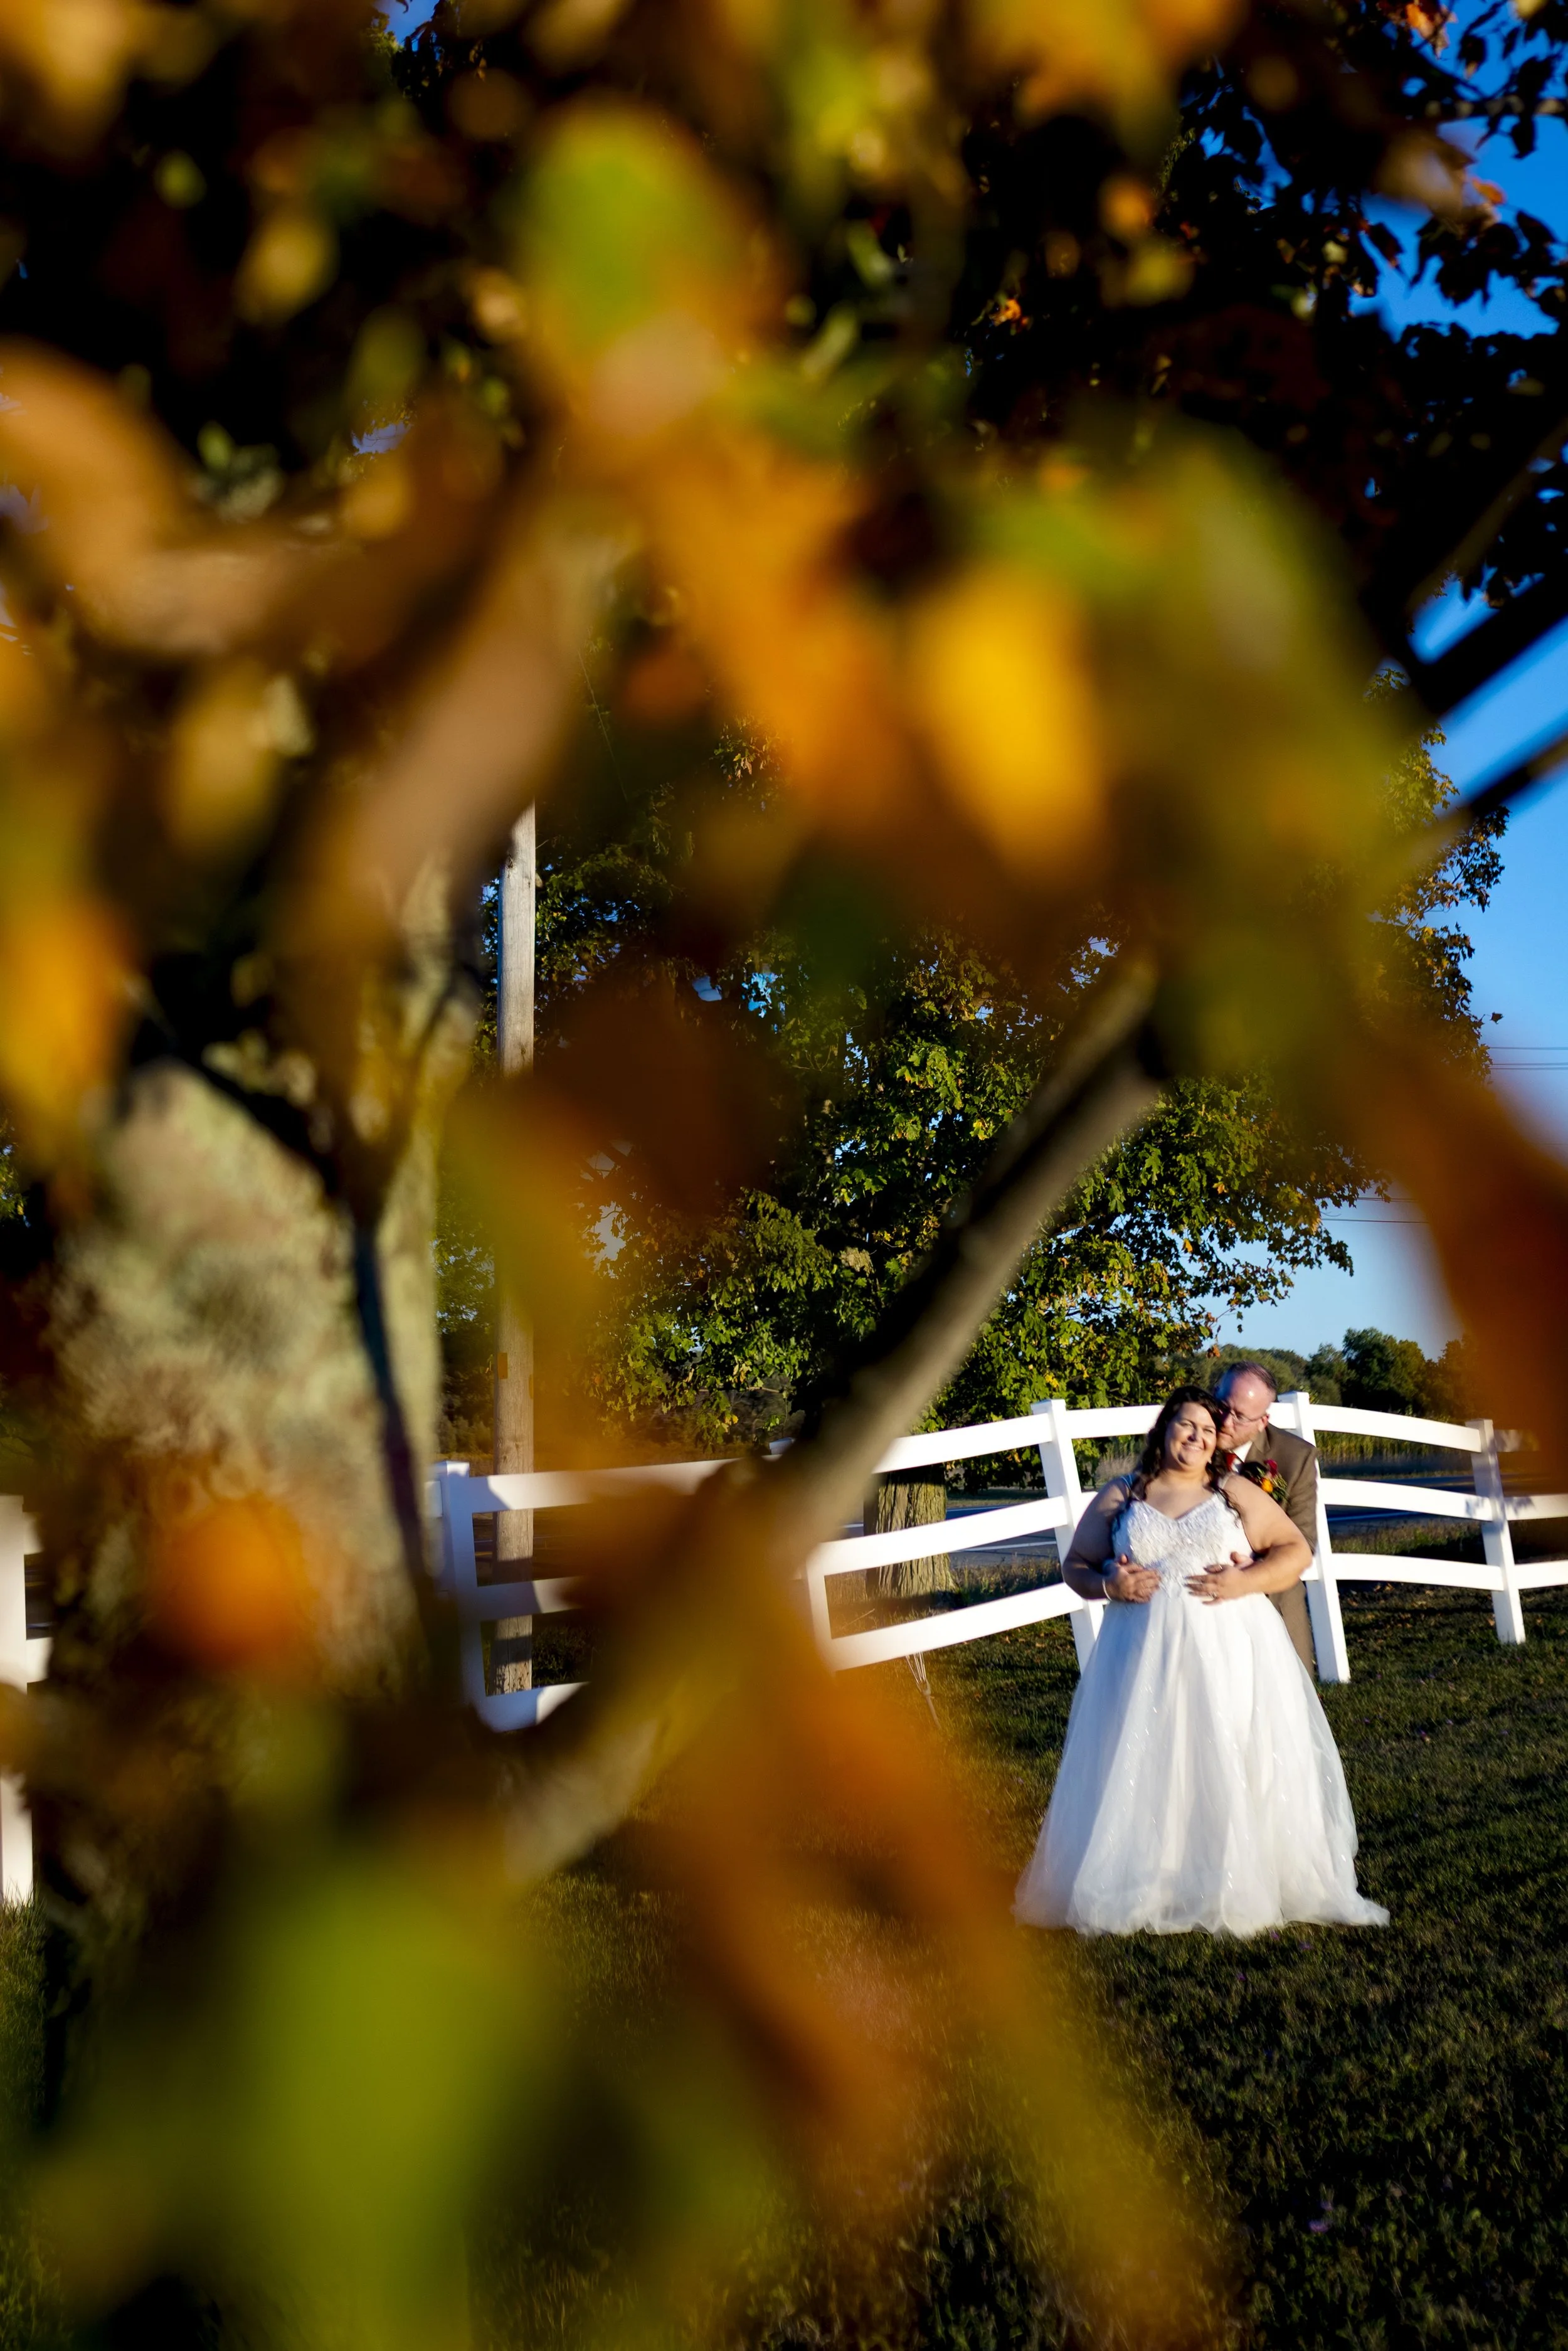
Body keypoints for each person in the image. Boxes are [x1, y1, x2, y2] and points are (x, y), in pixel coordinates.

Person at [1014, 1386, 1387, 1936]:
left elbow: (1296, 1551)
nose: (1196, 1437)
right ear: (1164, 1429)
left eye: (1208, 1431)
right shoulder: (1123, 1495)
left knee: (1228, 1750)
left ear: (1217, 1445)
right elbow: (1077, 1566)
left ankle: (1235, 1877)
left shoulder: (1232, 1491)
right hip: (1139, 1654)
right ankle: (1151, 1876)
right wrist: (1108, 1583)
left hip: (1228, 1646)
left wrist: (1245, 1580)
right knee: (1147, 1756)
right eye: (1186, 1425)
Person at [1214, 1361, 1318, 1675]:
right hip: (1206, 1602)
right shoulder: (1187, 1441)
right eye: (1221, 1406)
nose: (1225, 1422)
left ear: (1263, 1421)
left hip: (1273, 1599)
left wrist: (1254, 1573)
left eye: (1240, 1417)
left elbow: (1304, 1541)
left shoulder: (1295, 1457)